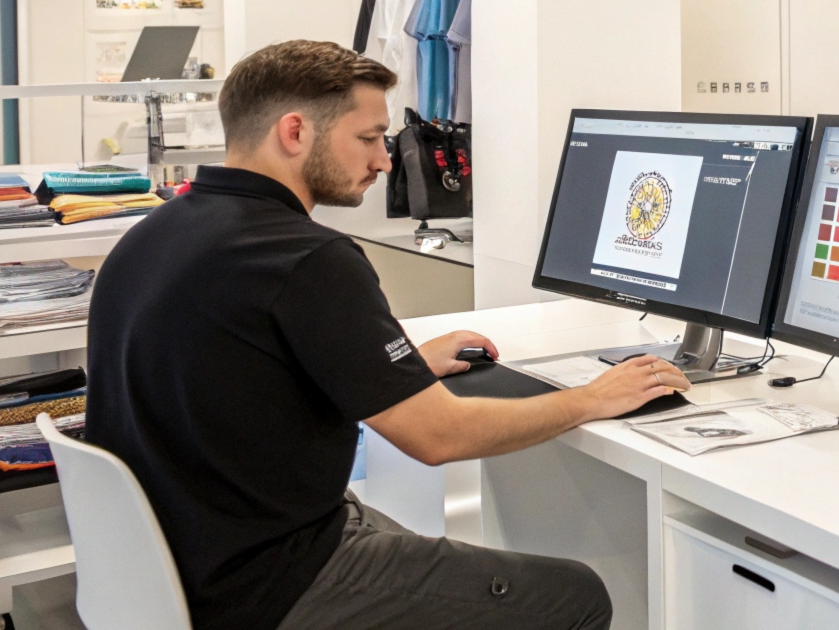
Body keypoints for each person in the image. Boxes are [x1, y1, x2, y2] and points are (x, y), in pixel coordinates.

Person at [86, 39, 690, 630]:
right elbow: (438, 437)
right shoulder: (308, 258)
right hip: (268, 584)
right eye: (370, 139)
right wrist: (593, 397)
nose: (383, 160)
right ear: (295, 132)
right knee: (576, 595)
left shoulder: (156, 231)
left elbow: (241, 376)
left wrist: (398, 368)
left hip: (180, 564)